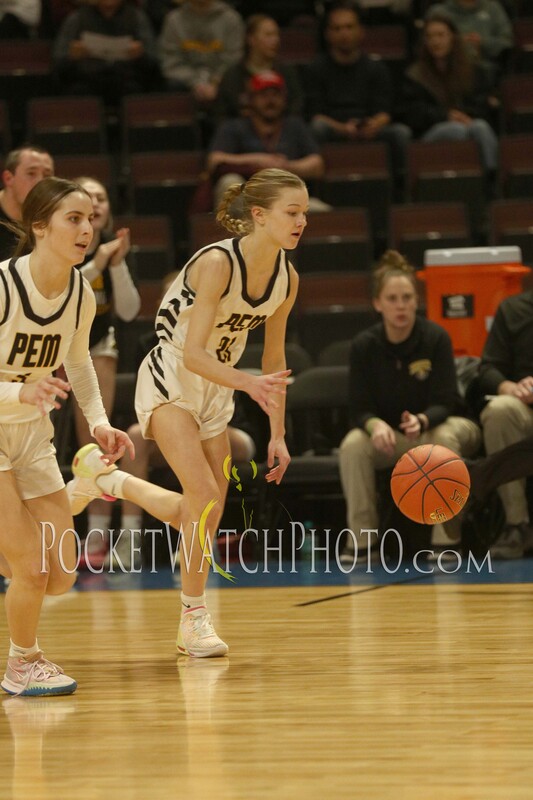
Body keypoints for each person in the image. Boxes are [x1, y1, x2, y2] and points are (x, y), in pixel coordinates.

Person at [67, 167, 305, 658]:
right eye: (292, 212)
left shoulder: (288, 278)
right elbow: (194, 354)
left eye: (304, 213)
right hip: (173, 373)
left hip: (219, 386)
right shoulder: (219, 263)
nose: (302, 221)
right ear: (259, 215)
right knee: (203, 496)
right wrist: (248, 383)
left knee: (208, 510)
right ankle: (194, 618)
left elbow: (274, 359)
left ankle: (110, 481)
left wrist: (278, 433)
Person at [0, 176, 134, 696]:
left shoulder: (79, 291)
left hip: (33, 437)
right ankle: (22, 665)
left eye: (89, 219)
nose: (86, 229)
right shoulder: (5, 286)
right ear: (39, 226)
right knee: (31, 567)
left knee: (60, 575)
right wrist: (21, 391)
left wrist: (98, 421)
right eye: (72, 219)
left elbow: (78, 364)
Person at [107, 270, 256, 571]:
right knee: (138, 434)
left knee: (202, 441)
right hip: (175, 427)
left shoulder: (221, 335)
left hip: (227, 427)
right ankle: (129, 539)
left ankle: (202, 539)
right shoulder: (152, 343)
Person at [339, 249, 481, 558]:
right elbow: (358, 408)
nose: (400, 305)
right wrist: (374, 425)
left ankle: (447, 540)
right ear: (378, 304)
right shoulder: (364, 346)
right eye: (392, 299)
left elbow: (447, 401)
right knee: (353, 446)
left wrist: (423, 420)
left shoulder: (436, 338)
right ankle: (363, 543)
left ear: (417, 301)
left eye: (406, 298)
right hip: (392, 435)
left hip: (440, 426)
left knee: (443, 439)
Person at [70, 176, 140, 568]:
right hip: (51, 347)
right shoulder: (60, 246)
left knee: (94, 440)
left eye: (101, 197)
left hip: (95, 346)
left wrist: (116, 263)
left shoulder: (115, 247)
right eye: (87, 197)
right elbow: (65, 294)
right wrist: (98, 261)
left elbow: (129, 310)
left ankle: (98, 538)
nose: (95, 204)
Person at [304, 0, 411, 194]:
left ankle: (400, 193)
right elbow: (315, 115)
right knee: (317, 129)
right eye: (337, 28)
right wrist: (343, 128)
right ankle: (316, 192)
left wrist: (373, 124)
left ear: (361, 31)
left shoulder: (376, 68)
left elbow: (385, 112)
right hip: (334, 128)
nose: (344, 33)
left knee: (400, 133)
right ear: (327, 34)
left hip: (369, 128)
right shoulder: (315, 69)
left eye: (349, 27)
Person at [207, 70, 325, 209]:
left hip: (288, 201)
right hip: (248, 201)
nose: (270, 101)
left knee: (321, 210)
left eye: (275, 95)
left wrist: (285, 167)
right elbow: (214, 161)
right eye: (263, 95)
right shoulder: (234, 127)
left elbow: (317, 165)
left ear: (284, 99)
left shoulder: (295, 126)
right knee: (230, 181)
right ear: (250, 99)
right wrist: (259, 160)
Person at [401, 13, 498, 176]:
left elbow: (481, 103)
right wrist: (446, 116)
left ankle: (491, 176)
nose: (435, 41)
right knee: (455, 130)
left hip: (467, 123)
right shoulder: (415, 75)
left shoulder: (471, 70)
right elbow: (412, 113)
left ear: (453, 37)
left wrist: (464, 116)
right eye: (430, 37)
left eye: (441, 35)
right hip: (430, 133)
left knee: (480, 126)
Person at [475, 290, 533, 559]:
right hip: (524, 410)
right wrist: (512, 388)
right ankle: (517, 525)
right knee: (499, 410)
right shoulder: (512, 310)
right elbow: (487, 369)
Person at [52, 0, 159, 108]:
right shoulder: (77, 18)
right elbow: (58, 62)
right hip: (87, 83)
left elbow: (154, 63)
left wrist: (141, 56)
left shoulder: (137, 17)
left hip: (127, 83)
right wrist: (71, 57)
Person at [215, 13, 304, 121]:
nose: (275, 40)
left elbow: (296, 109)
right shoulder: (233, 76)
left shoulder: (286, 72)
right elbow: (221, 115)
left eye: (276, 35)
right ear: (251, 39)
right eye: (268, 35)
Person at [158, 0, 244, 105]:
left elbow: (233, 60)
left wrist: (215, 82)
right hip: (185, 83)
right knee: (171, 84)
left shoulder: (231, 19)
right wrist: (196, 82)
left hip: (222, 81)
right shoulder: (174, 20)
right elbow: (171, 62)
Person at [426, 0, 512, 85]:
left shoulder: (493, 8)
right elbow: (426, 42)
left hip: (487, 71)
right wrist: (457, 44)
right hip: (447, 70)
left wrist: (483, 42)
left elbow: (507, 43)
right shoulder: (439, 12)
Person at [0, 146, 54, 262]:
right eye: (31, 173)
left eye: (47, 175)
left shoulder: (53, 218)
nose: (40, 182)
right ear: (8, 178)